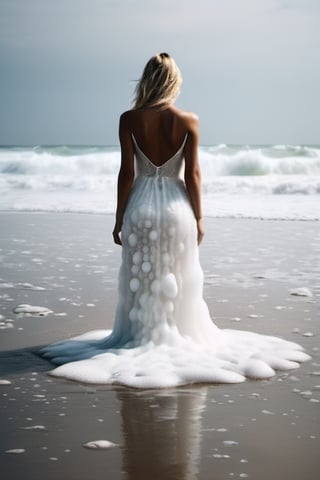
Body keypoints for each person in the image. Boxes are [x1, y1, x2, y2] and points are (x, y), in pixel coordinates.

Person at [40, 53, 309, 388]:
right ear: (174, 81)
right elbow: (193, 174)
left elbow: (126, 173)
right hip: (175, 206)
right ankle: (174, 343)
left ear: (147, 80)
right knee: (176, 279)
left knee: (142, 278)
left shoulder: (129, 119)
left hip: (140, 206)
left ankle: (140, 339)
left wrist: (118, 218)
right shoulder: (188, 120)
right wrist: (198, 218)